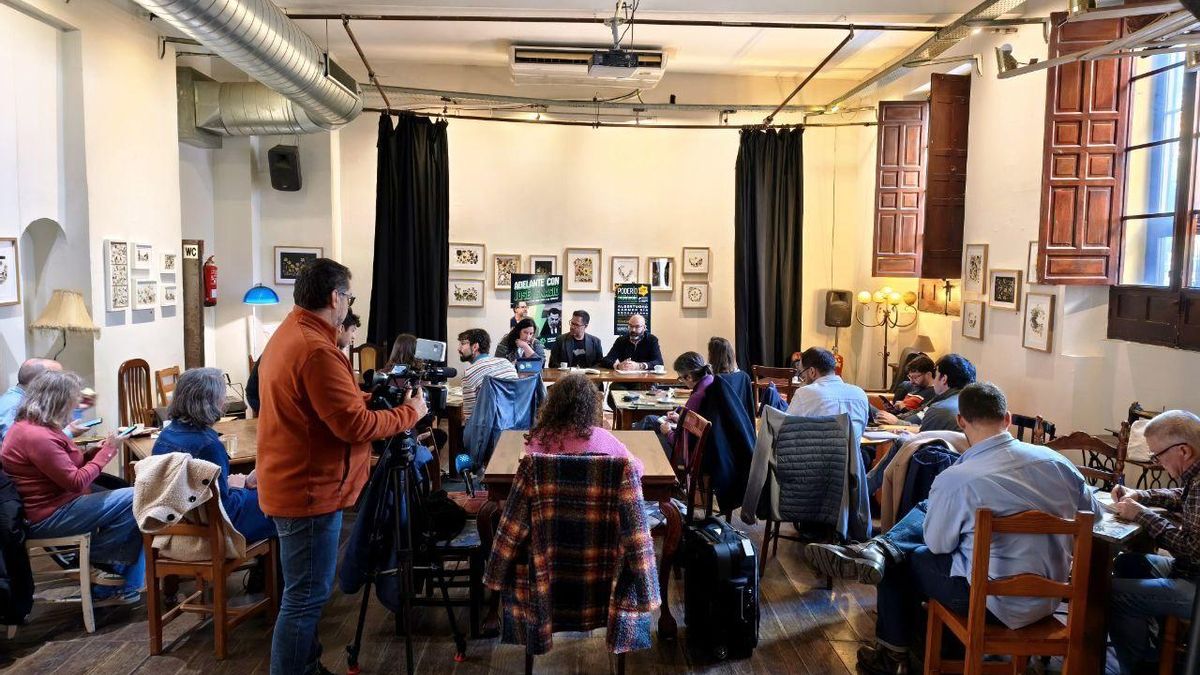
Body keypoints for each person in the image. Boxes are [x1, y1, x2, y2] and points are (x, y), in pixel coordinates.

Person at [803, 382, 1098, 674]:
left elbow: (938, 545)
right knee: (920, 538)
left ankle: (891, 656)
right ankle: (878, 551)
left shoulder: (958, 478)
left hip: (988, 603)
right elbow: (1094, 517)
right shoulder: (1059, 464)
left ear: (961, 421)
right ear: (1007, 418)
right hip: (1048, 601)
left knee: (901, 562)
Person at [255, 258, 427, 675]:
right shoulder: (317, 349)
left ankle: (307, 667)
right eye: (348, 296)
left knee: (304, 593)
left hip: (296, 482)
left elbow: (332, 408)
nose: (348, 305)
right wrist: (411, 413)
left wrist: (374, 400)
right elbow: (354, 426)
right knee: (305, 597)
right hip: (309, 489)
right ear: (335, 297)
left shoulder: (293, 335)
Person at [0, 370, 143, 603]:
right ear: (58, 401)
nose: (75, 405)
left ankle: (112, 580)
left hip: (58, 504)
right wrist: (108, 452)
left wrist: (94, 452)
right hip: (48, 516)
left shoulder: (36, 426)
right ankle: (98, 566)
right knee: (137, 495)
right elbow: (76, 482)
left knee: (129, 498)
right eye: (72, 401)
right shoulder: (37, 435)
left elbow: (66, 466)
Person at [1107, 410, 1200, 674]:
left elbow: (1193, 550)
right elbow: (1181, 495)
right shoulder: (1195, 475)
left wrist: (1141, 514)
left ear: (1183, 450)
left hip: (1195, 585)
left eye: (1158, 454)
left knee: (1109, 592)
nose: (1157, 462)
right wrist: (1143, 495)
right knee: (1128, 564)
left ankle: (1139, 668)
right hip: (1190, 573)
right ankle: (1153, 653)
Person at [152, 368, 274, 542]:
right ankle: (273, 568)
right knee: (276, 501)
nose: (224, 402)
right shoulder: (208, 445)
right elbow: (224, 508)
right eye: (222, 396)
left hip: (178, 518)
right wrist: (241, 489)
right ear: (210, 401)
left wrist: (238, 483)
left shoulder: (165, 435)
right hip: (216, 527)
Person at [525, 373, 643, 474]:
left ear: (552, 404)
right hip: (597, 499)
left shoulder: (538, 439)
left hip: (549, 500)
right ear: (591, 407)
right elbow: (636, 469)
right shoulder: (605, 438)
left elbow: (524, 473)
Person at [248, 310, 361, 414]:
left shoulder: (296, 333)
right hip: (260, 398)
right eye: (353, 331)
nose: (354, 337)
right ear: (341, 328)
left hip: (268, 396)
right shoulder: (319, 350)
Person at [635, 352, 713, 457]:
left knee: (649, 428)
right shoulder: (710, 381)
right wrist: (681, 418)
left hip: (689, 452)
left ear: (689, 377)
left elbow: (683, 442)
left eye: (680, 378)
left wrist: (668, 433)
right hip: (704, 441)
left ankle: (634, 457)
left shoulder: (697, 397)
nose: (681, 382)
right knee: (649, 420)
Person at [0, 359, 91, 441]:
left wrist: (75, 407)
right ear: (40, 381)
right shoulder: (14, 405)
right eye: (57, 377)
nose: (63, 381)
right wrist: (68, 433)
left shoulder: (29, 400)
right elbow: (17, 445)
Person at [458, 328, 518, 422]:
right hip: (512, 426)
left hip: (487, 430)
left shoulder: (469, 374)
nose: (459, 348)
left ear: (475, 347)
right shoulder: (507, 363)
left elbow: (469, 417)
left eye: (462, 344)